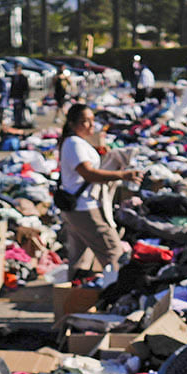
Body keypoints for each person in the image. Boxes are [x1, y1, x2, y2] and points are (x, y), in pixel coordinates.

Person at [55, 102, 139, 273]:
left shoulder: (77, 142)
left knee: (79, 257)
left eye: (92, 120)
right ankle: (117, 291)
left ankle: (73, 294)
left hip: (78, 208)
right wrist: (122, 175)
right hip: (84, 208)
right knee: (114, 252)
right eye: (85, 121)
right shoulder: (73, 143)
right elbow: (89, 173)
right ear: (72, 124)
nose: (91, 125)